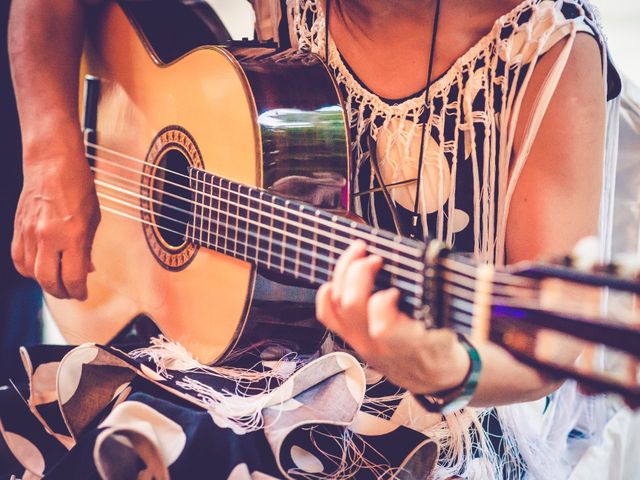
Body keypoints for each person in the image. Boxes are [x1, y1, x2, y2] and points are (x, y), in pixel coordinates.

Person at [2, 0, 621, 478]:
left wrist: (445, 366)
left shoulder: (548, 52)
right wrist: (50, 150)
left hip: (436, 416)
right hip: (241, 360)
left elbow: (546, 357)